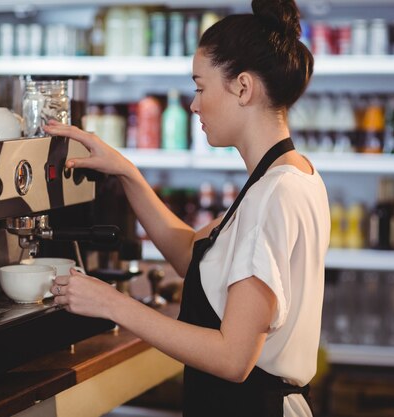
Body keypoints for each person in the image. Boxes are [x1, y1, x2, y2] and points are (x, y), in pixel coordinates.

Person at [42, 0, 329, 415]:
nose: (194, 105)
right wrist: (127, 173)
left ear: (243, 87)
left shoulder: (274, 195)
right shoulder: (292, 176)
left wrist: (112, 304)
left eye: (200, 87)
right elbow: (189, 253)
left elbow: (233, 358)